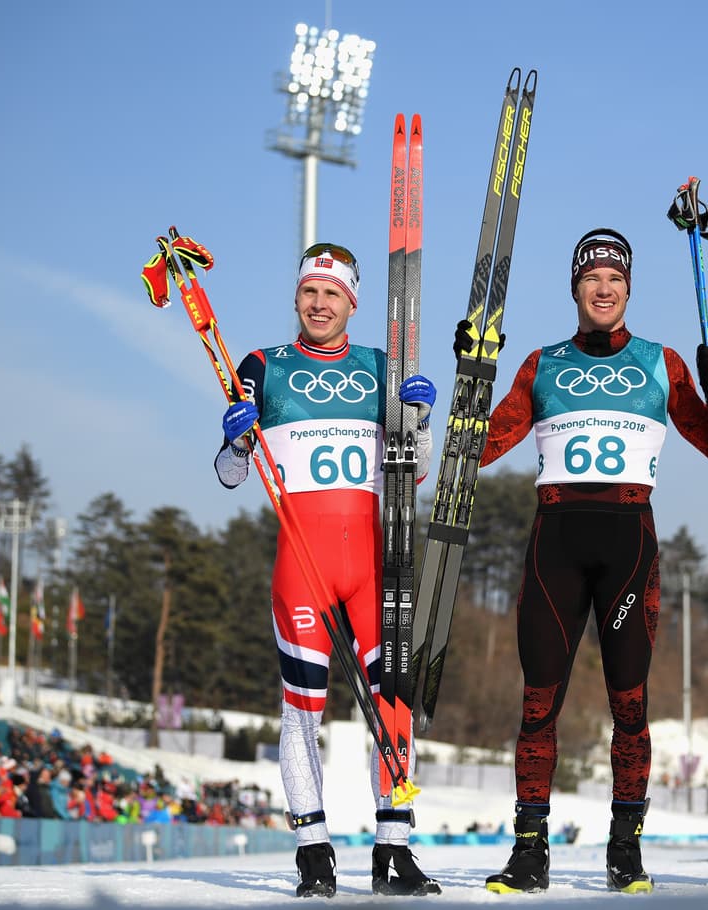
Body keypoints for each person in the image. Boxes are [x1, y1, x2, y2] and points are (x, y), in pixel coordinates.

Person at [464, 228, 708, 895]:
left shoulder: (660, 362)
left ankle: (626, 849)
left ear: (628, 287)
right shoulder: (542, 364)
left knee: (631, 704)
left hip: (629, 546)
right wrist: (471, 379)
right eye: (591, 277)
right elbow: (479, 444)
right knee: (537, 704)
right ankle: (529, 849)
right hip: (553, 543)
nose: (603, 287)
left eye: (615, 277)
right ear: (575, 288)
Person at [214, 242, 440, 899]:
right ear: (296, 297)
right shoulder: (260, 366)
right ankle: (314, 854)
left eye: (332, 294)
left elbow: (416, 467)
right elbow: (231, 473)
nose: (319, 304)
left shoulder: (380, 366)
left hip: (373, 569)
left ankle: (393, 853)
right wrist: (236, 439)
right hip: (303, 567)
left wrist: (420, 421)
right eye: (310, 291)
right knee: (301, 715)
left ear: (353, 303)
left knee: (393, 708)